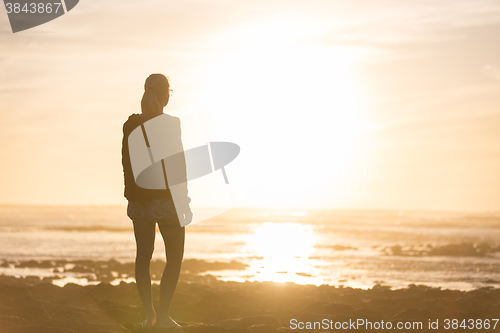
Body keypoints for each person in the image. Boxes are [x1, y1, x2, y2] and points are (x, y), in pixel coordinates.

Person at [121, 73, 192, 329]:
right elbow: (177, 164)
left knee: (143, 258)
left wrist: (133, 197)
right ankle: (163, 316)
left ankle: (147, 316)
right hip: (166, 202)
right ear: (166, 95)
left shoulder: (130, 124)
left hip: (140, 203)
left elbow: (126, 164)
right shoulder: (171, 123)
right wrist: (183, 200)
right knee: (174, 258)